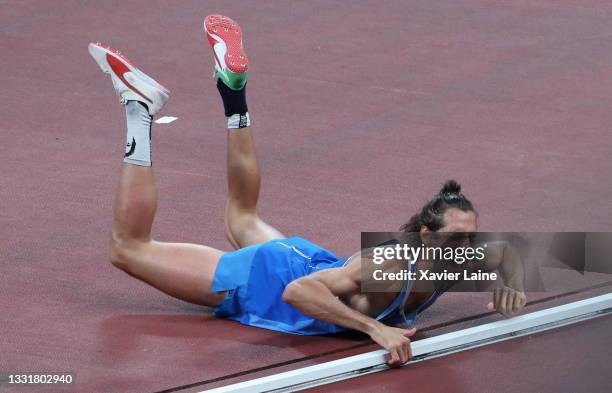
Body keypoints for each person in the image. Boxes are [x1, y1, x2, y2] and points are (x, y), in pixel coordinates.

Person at [89, 14, 526, 366]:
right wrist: (376, 329)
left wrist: (514, 282)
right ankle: (139, 109)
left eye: (470, 237)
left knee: (241, 217)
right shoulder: (391, 265)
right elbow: (298, 294)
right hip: (263, 281)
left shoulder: (451, 259)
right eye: (457, 238)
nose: (467, 247)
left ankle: (234, 93)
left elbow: (507, 251)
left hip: (303, 258)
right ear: (425, 236)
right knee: (127, 249)